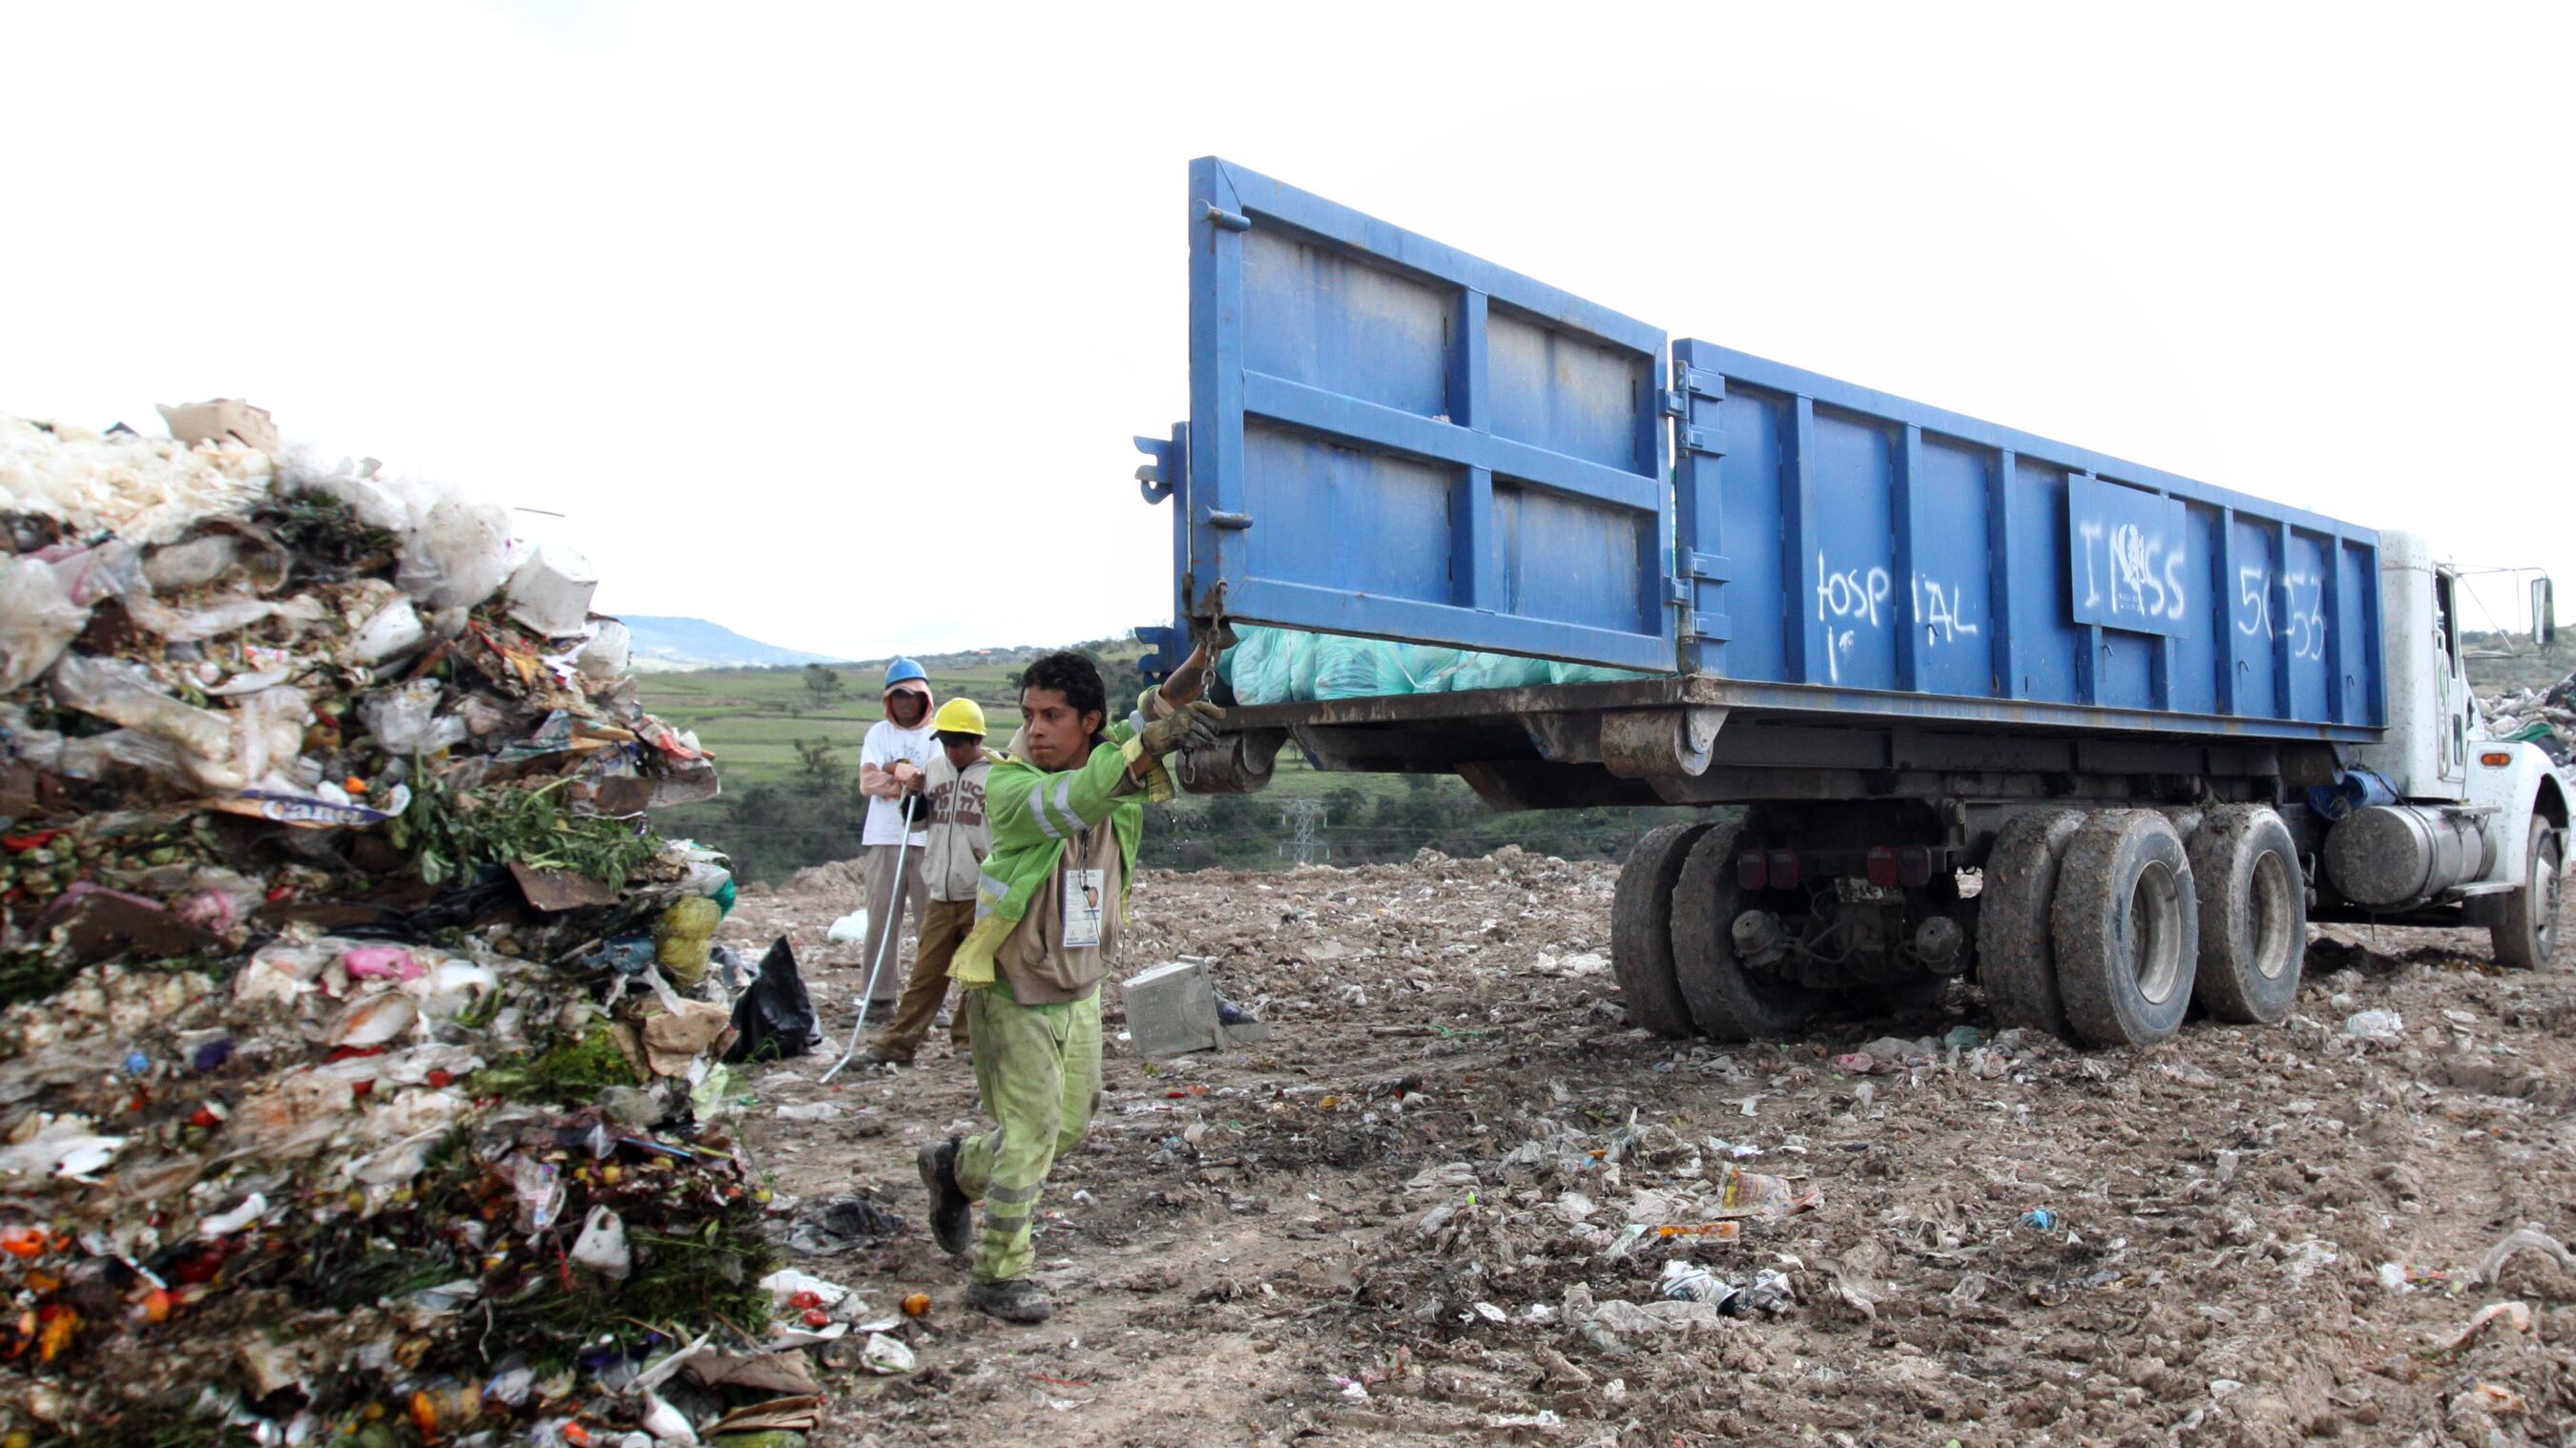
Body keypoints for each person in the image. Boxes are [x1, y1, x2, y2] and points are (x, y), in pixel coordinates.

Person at [916, 644, 1223, 1323]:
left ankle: (955, 1167)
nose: (1035, 729)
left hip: (1081, 985)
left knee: (1071, 1126)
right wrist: (1149, 747)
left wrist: (1204, 653)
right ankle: (998, 1275)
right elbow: (1083, 796)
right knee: (1028, 1132)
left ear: (1090, 722)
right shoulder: (1010, 786)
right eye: (1029, 715)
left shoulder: (1111, 753)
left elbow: (1158, 710)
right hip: (1012, 990)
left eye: (1053, 715)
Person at [861, 697, 992, 1065]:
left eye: (959, 742)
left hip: (979, 891)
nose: (952, 749)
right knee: (926, 974)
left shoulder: (996, 775)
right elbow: (916, 824)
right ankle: (898, 1044)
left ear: (976, 740)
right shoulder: (934, 768)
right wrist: (914, 794)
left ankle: (967, 1041)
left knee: (976, 975)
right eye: (946, 741)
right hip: (941, 890)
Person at [855, 658, 936, 1012]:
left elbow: (930, 782)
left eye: (912, 695)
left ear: (924, 698)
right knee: (881, 921)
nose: (906, 701)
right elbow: (866, 781)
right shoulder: (877, 734)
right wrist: (900, 775)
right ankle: (879, 997)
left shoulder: (936, 735)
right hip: (884, 838)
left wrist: (891, 772)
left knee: (930, 925)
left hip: (925, 839)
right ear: (890, 699)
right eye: (899, 695)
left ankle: (929, 1001)